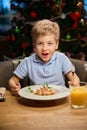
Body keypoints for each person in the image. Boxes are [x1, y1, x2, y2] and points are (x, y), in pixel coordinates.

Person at [8, 19, 80, 96]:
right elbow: (12, 80)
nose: (45, 48)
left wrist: (75, 82)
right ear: (34, 46)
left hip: (60, 98)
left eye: (49, 43)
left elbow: (74, 78)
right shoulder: (28, 62)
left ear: (56, 45)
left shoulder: (62, 59)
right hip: (36, 100)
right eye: (40, 43)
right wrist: (13, 87)